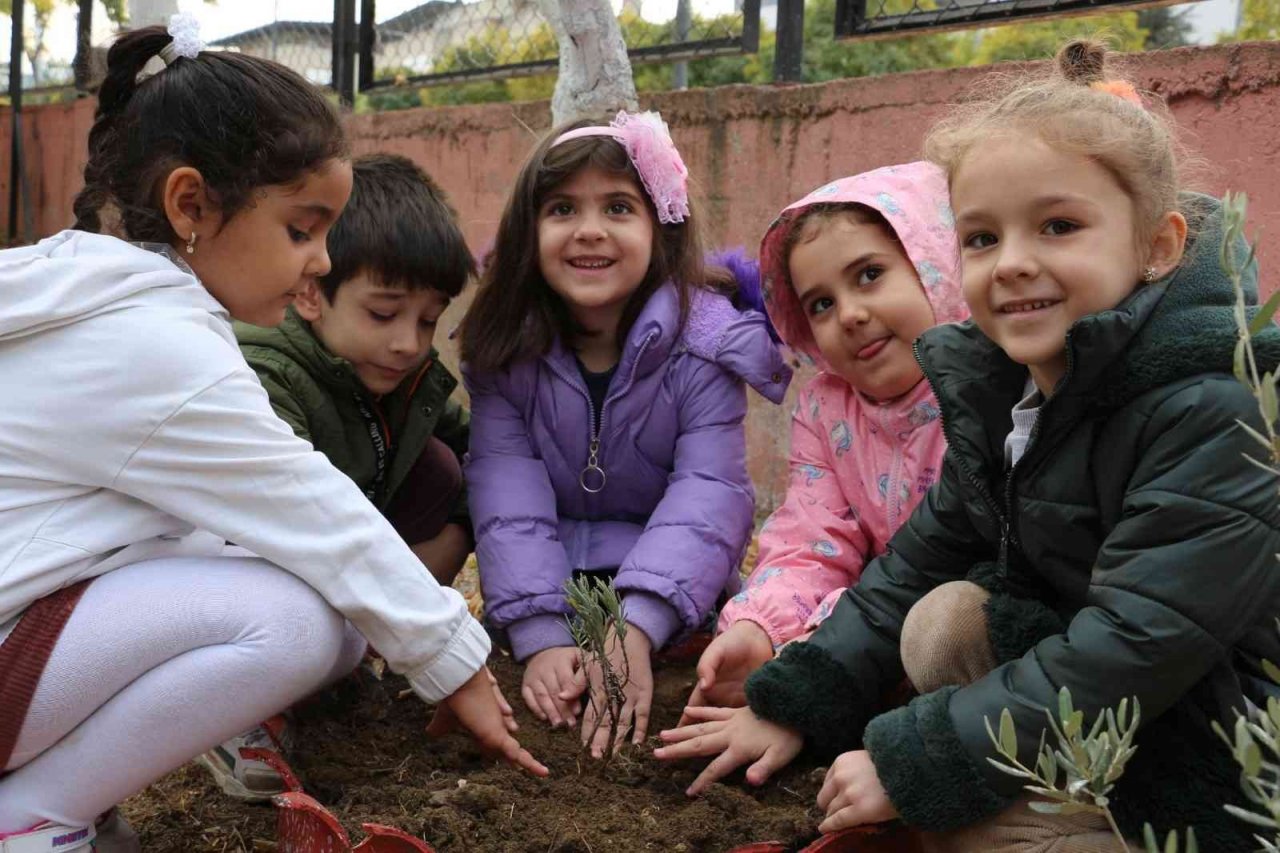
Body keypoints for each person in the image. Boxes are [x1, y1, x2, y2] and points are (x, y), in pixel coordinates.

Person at [656, 39, 1280, 852]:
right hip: (1102, 719)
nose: (1013, 263)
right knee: (940, 616)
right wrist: (793, 701)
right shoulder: (1011, 390)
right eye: (983, 238)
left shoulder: (1212, 408)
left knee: (946, 825)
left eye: (1058, 226)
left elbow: (1131, 649)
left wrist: (917, 759)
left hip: (1223, 754)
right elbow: (916, 562)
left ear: (1157, 246)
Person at [0, 17, 542, 852]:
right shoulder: (156, 345)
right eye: (302, 228)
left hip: (22, 630)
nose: (322, 260)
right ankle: (35, 814)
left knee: (291, 580)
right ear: (191, 205)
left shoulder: (94, 290)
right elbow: (312, 507)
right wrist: (452, 657)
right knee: (304, 621)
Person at [458, 111, 791, 758]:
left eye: (618, 207)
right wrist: (540, 634)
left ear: (659, 228)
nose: (589, 231)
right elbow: (507, 494)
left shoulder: (705, 348)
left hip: (670, 599)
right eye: (561, 209)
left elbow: (709, 492)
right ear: (529, 233)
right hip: (550, 589)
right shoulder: (507, 353)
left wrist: (640, 622)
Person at [685, 162, 967, 714]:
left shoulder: (987, 389)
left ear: (933, 263)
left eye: (869, 274)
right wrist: (759, 627)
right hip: (872, 622)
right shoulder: (826, 407)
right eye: (821, 304)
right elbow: (810, 540)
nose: (851, 315)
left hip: (959, 635)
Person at [238, 153, 476, 590]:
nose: (409, 344)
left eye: (428, 321)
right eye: (383, 314)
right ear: (311, 293)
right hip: (268, 568)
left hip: (358, 560)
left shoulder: (404, 372)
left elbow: (483, 444)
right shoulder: (266, 375)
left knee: (445, 470)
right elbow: (288, 518)